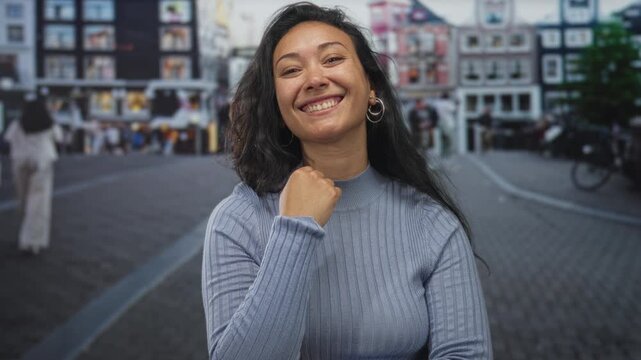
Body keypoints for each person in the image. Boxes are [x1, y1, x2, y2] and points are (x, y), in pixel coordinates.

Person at [201, 3, 492, 359]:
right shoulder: (237, 221)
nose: (315, 79)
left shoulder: (432, 222)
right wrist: (295, 231)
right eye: (291, 70)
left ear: (371, 87)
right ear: (276, 104)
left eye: (333, 59)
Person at [3, 95, 62, 254]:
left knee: (23, 200)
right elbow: (59, 138)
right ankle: (33, 241)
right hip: (42, 161)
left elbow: (8, 139)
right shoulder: (49, 124)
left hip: (20, 160)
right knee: (39, 201)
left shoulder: (18, 123)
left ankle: (24, 235)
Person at [433, 92, 457, 156]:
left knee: (441, 138)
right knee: (449, 138)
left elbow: (434, 109)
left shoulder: (437, 103)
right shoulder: (449, 103)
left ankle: (442, 151)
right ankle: (448, 152)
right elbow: (454, 110)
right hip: (449, 122)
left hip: (440, 122)